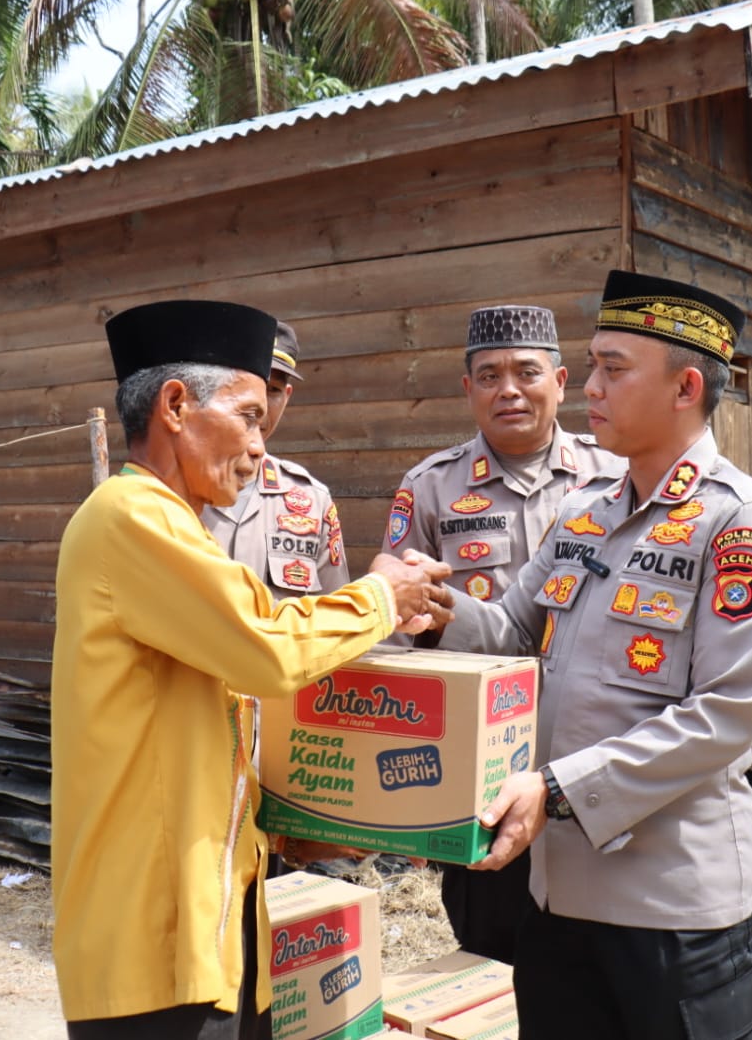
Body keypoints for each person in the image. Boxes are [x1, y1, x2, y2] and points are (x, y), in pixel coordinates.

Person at [50, 299, 452, 1040]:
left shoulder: (173, 521)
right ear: (175, 406)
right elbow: (265, 643)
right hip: (153, 927)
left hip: (210, 898)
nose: (260, 447)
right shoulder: (131, 515)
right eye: (249, 417)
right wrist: (381, 597)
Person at [438, 271, 752, 1040]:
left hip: (669, 907)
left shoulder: (742, 525)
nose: (589, 389)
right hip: (556, 893)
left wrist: (558, 789)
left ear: (685, 387)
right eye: (593, 366)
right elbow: (509, 632)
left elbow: (724, 717)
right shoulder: (583, 516)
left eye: (613, 369)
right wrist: (431, 607)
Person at [381, 303, 620, 963]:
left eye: (525, 372)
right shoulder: (428, 487)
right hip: (477, 768)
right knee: (487, 947)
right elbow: (406, 633)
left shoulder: (615, 480)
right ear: (467, 389)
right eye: (488, 375)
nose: (507, 389)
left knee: (592, 954)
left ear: (562, 380)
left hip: (589, 750)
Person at [204, 320, 349, 598]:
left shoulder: (311, 500)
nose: (260, 406)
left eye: (273, 391)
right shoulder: (176, 492)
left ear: (287, 397)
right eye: (252, 387)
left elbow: (334, 609)